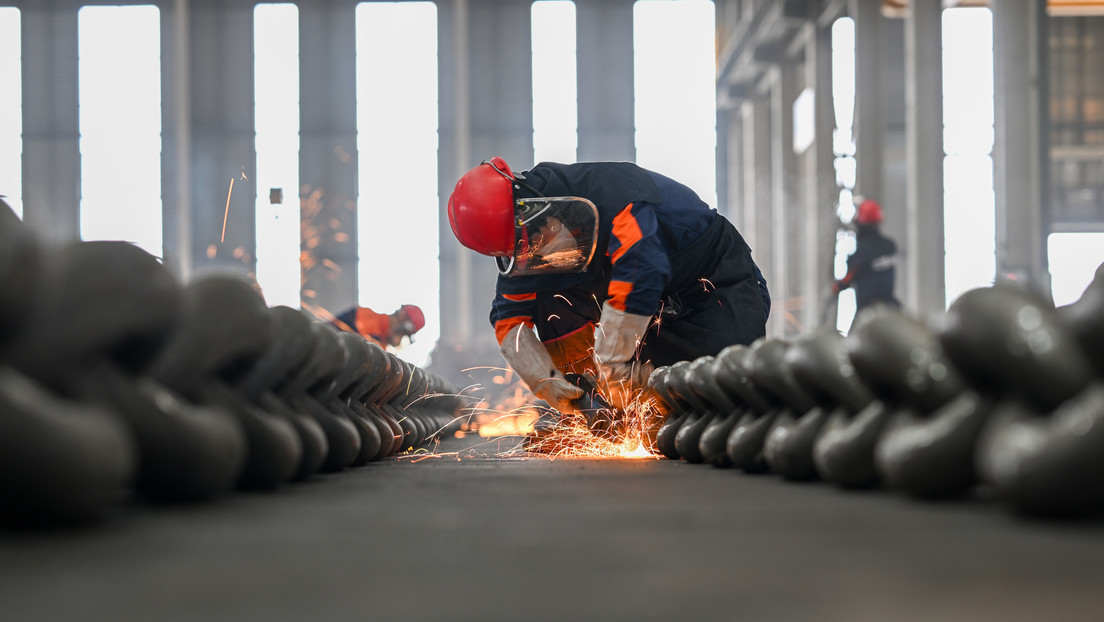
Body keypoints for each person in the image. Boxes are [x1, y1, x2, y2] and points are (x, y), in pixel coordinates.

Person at [447, 157, 770, 413]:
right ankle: (593, 400)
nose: (537, 250)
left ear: (532, 205)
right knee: (550, 300)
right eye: (523, 248)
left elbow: (642, 268)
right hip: (642, 312)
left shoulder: (614, 193)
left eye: (537, 237)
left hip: (708, 281)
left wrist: (614, 360)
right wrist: (544, 379)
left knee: (724, 381)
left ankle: (618, 378)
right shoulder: (527, 252)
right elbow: (509, 320)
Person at [832, 198, 901, 313]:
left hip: (866, 308)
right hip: (890, 305)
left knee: (855, 331)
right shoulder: (890, 246)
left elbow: (847, 278)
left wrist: (837, 286)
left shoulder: (862, 252)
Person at [332, 304, 425, 348]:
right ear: (400, 323)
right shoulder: (366, 317)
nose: (400, 340)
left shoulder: (383, 341)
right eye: (403, 334)